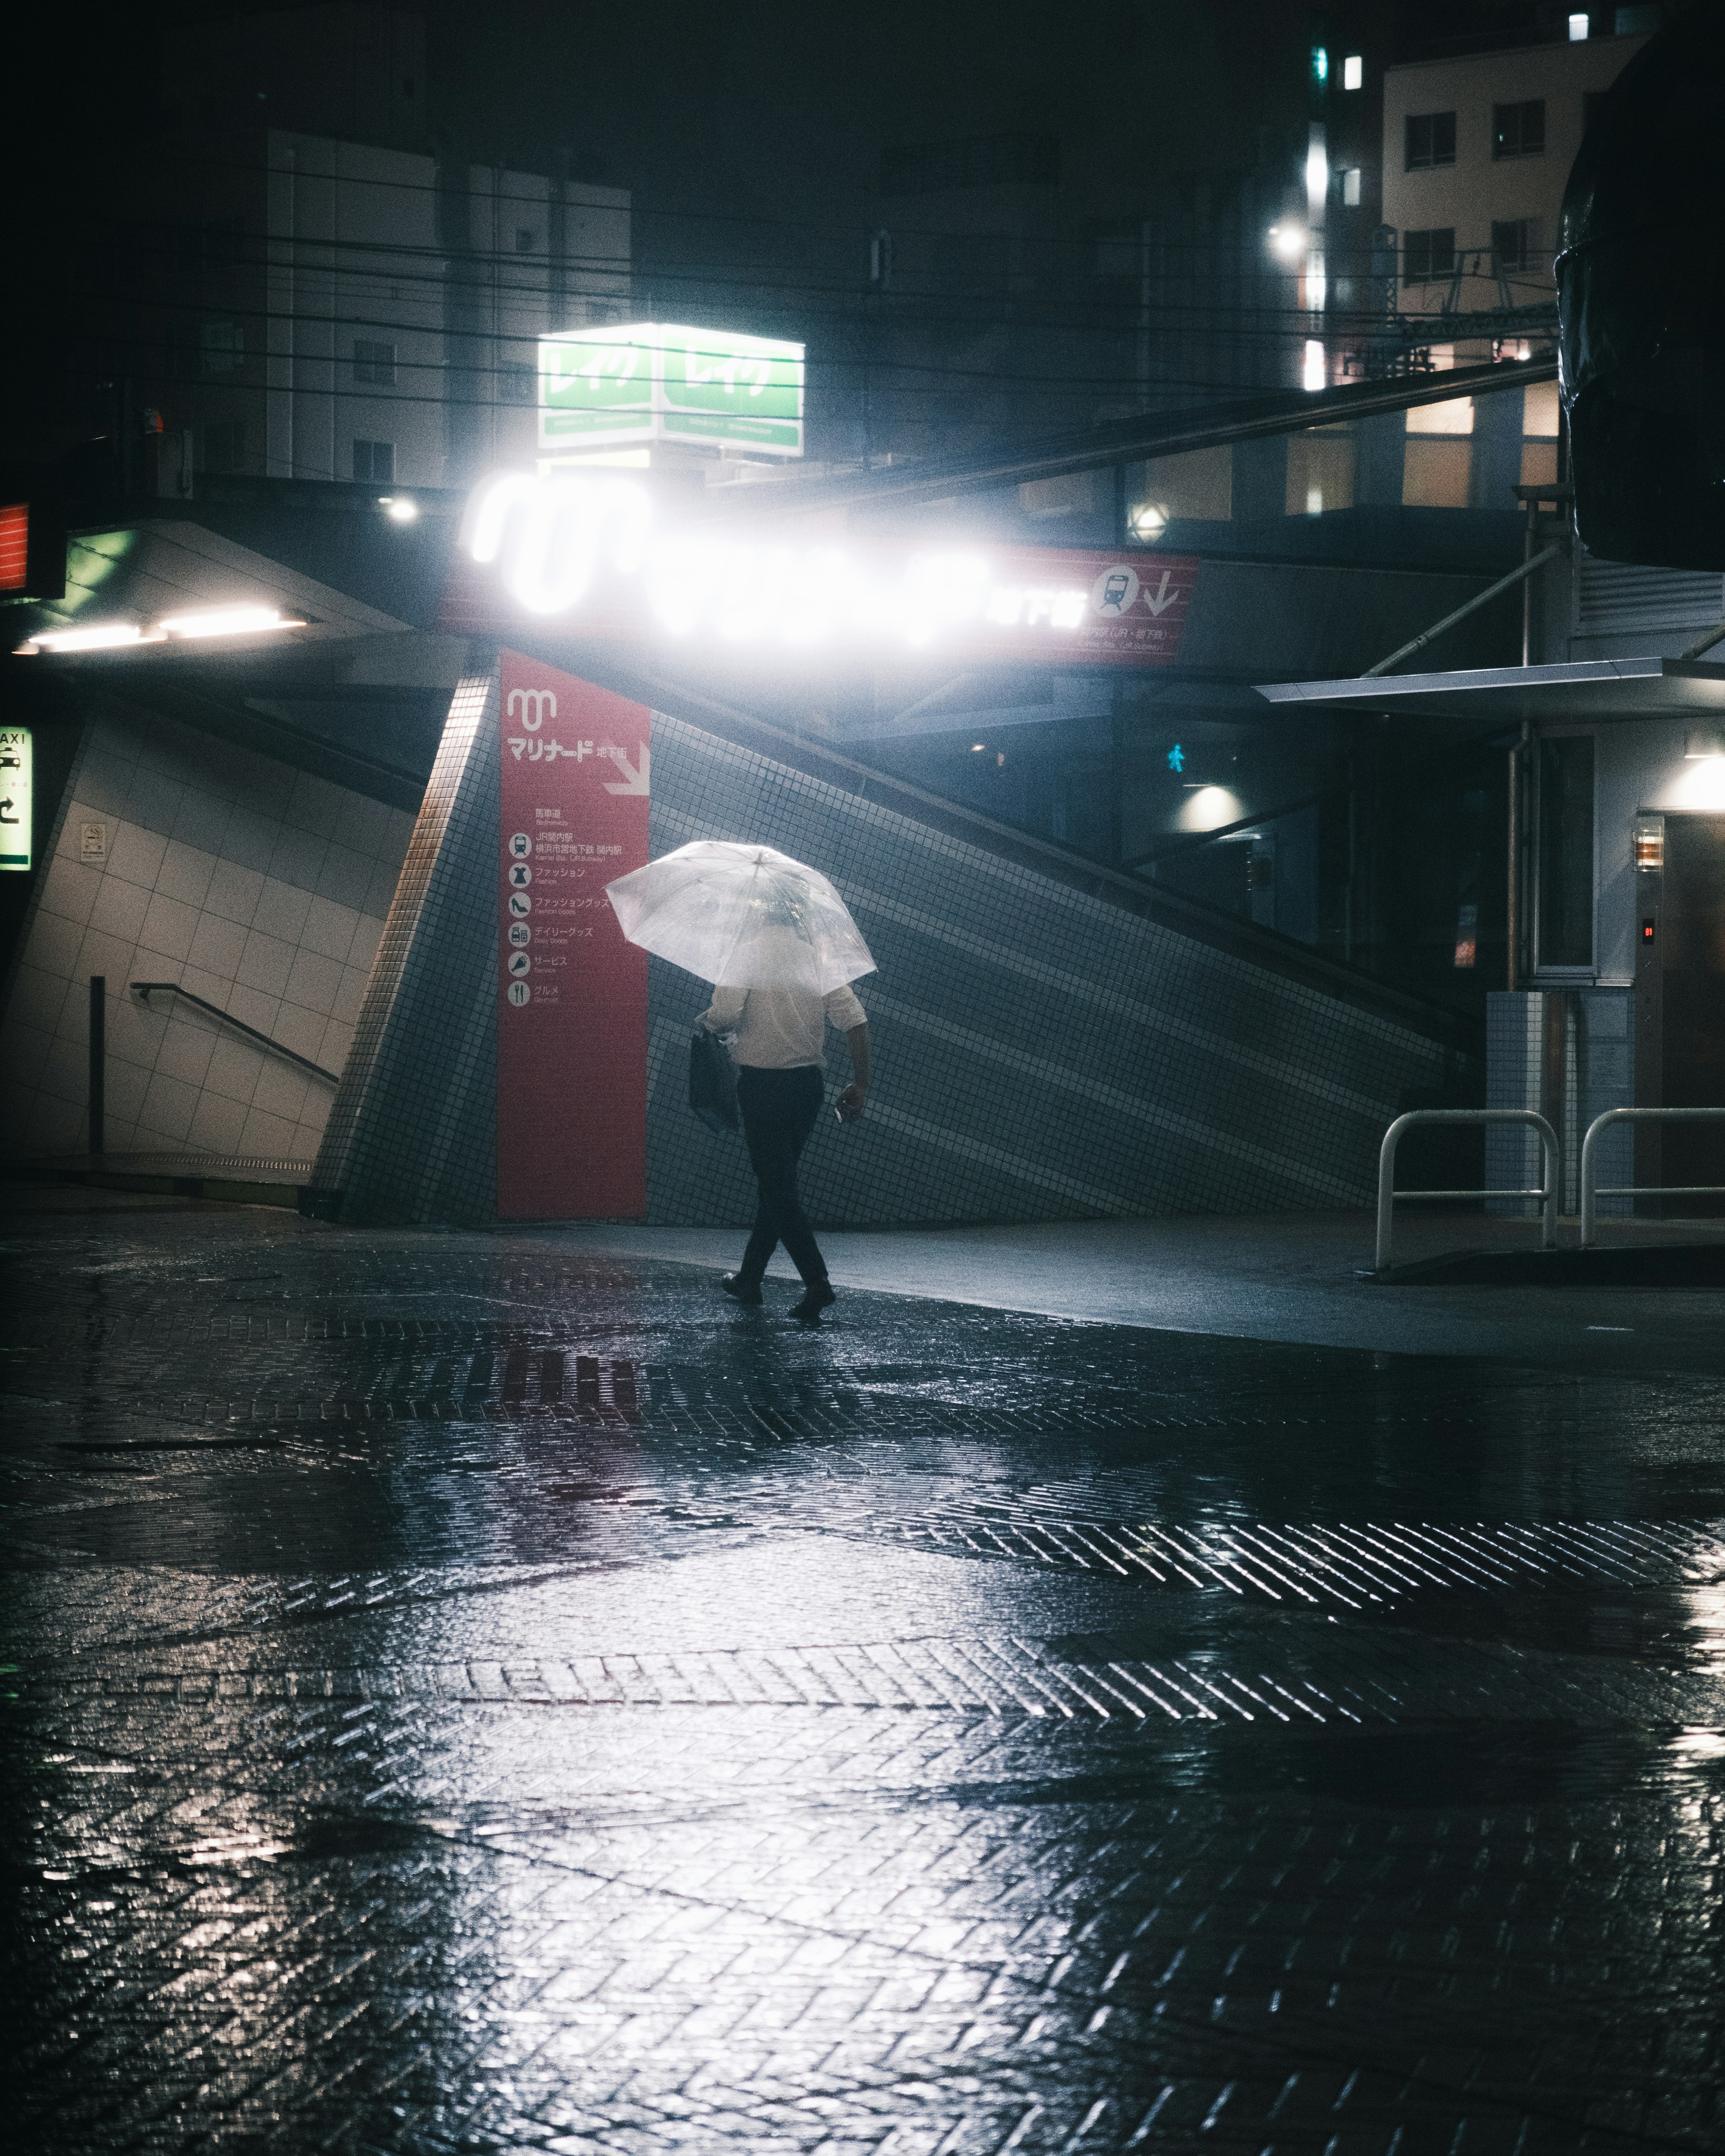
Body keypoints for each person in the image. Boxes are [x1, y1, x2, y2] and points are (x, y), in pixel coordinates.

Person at [699, 960, 870, 1321]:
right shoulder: (819, 960)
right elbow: (855, 1020)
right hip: (807, 1087)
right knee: (777, 1182)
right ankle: (749, 1278)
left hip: (761, 1086)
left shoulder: (746, 956)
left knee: (777, 1187)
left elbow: (724, 1014)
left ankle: (817, 1282)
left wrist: (706, 1023)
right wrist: (861, 1084)